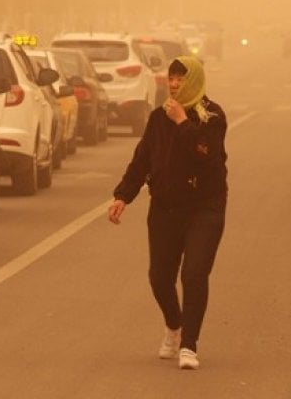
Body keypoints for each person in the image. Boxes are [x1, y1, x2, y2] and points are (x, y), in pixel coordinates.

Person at [107, 55, 228, 370]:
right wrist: (123, 195)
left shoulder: (212, 115)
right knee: (159, 277)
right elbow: (143, 158)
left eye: (181, 79)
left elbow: (208, 156)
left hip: (205, 207)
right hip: (165, 207)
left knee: (194, 273)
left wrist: (182, 122)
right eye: (171, 78)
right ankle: (175, 326)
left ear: (194, 81)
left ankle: (189, 345)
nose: (174, 85)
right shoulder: (158, 117)